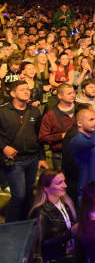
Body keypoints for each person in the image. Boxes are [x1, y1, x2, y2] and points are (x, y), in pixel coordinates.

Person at [0, 80, 48, 221]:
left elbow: (39, 135)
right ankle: (11, 228)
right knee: (19, 195)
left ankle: (24, 223)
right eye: (22, 89)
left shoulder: (34, 111)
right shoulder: (3, 111)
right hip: (14, 161)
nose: (27, 91)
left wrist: (41, 157)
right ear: (12, 93)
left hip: (32, 158)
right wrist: (4, 148)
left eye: (28, 89)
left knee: (28, 195)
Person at [28, 169, 78, 263]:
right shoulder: (40, 213)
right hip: (54, 262)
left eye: (64, 181)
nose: (65, 185)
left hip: (68, 256)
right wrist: (70, 232)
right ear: (45, 188)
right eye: (59, 183)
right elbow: (40, 246)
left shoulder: (66, 203)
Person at [39, 83, 78, 171]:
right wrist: (61, 136)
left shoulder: (80, 108)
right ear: (60, 96)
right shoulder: (50, 114)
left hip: (81, 153)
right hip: (60, 157)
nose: (73, 95)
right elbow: (43, 137)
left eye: (73, 93)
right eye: (69, 93)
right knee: (62, 183)